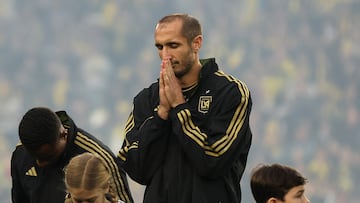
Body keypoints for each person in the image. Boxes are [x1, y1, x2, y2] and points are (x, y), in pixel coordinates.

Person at [117, 13, 252, 202]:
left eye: (173, 45)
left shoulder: (230, 92)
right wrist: (162, 114)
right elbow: (134, 167)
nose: (165, 56)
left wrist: (180, 108)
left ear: (196, 43)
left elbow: (213, 160)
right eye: (159, 47)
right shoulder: (146, 99)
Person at [11, 107, 133, 203]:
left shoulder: (99, 159)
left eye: (48, 157)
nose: (39, 163)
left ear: (63, 135)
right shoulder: (22, 151)